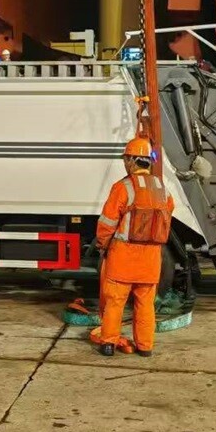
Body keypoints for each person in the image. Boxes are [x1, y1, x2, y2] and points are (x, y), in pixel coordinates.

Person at [93, 137, 174, 357]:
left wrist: (102, 244)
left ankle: (108, 344)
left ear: (131, 161)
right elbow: (167, 215)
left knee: (115, 302)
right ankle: (145, 346)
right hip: (150, 260)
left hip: (123, 257)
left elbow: (107, 223)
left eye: (126, 159)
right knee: (145, 304)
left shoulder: (122, 187)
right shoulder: (163, 190)